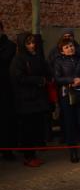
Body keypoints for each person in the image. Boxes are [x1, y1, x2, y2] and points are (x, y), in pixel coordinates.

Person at [9, 33, 52, 167]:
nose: (32, 45)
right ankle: (28, 156)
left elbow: (45, 70)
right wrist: (38, 80)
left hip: (38, 99)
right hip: (26, 101)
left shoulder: (37, 56)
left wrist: (48, 76)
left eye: (33, 42)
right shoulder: (18, 59)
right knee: (27, 129)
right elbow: (18, 78)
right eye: (29, 43)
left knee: (35, 128)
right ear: (23, 44)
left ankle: (33, 154)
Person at [54, 38, 80, 163]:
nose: (70, 48)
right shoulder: (58, 61)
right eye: (66, 47)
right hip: (67, 96)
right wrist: (71, 80)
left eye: (71, 46)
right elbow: (57, 78)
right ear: (61, 51)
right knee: (70, 124)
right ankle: (73, 151)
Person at [0, 21, 17, 160]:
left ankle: (7, 151)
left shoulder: (10, 46)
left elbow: (4, 61)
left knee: (6, 121)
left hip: (5, 89)